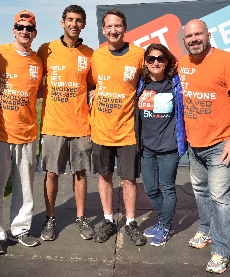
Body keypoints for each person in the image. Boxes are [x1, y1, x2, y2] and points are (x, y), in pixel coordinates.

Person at [179, 19, 230, 274]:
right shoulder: (182, 63)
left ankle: (221, 251)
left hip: (220, 143)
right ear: (184, 40)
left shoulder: (227, 61)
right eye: (189, 36)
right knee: (200, 190)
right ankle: (206, 230)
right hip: (193, 142)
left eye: (198, 34)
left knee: (220, 198)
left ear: (208, 35)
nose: (194, 39)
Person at [0, 10, 43, 254]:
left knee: (25, 188)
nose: (24, 31)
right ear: (13, 30)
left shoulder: (37, 61)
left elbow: (37, 91)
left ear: (34, 33)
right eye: (20, 27)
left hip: (27, 134)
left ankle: (21, 230)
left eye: (29, 28)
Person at [90, 9, 147, 246]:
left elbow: (152, 78)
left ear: (125, 28)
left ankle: (131, 222)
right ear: (103, 30)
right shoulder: (96, 56)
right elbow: (91, 84)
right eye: (109, 27)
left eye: (118, 26)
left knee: (129, 179)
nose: (113, 30)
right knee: (104, 176)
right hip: (101, 130)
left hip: (127, 130)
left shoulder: (139, 55)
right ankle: (108, 220)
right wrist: (92, 92)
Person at [37, 5, 94, 241]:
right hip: (52, 125)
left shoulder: (90, 54)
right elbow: (34, 79)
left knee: (79, 174)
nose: (74, 24)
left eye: (78, 20)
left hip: (81, 125)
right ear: (62, 22)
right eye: (70, 19)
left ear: (83, 25)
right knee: (51, 174)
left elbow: (93, 86)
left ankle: (81, 217)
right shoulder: (45, 49)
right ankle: (50, 218)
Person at [135, 44, 187, 246]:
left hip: (169, 148)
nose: (155, 62)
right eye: (151, 59)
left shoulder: (175, 83)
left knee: (167, 189)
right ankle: (164, 221)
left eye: (160, 58)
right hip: (147, 148)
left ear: (167, 61)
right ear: (146, 62)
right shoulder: (141, 83)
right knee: (150, 189)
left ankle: (165, 227)